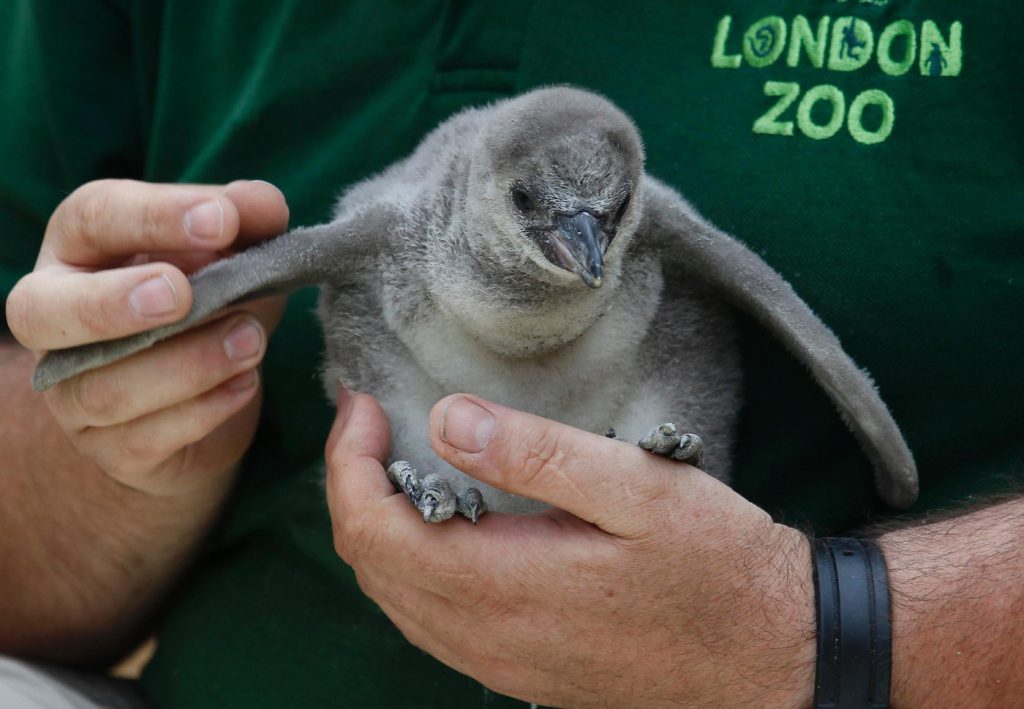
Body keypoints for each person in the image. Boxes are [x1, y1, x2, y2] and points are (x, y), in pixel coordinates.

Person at [1, 2, 1021, 707]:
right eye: (540, 210)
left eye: (606, 222)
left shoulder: (647, 227)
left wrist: (828, 630)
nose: (583, 251)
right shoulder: (408, 219)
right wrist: (124, 445)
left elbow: (768, 304)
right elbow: (25, 577)